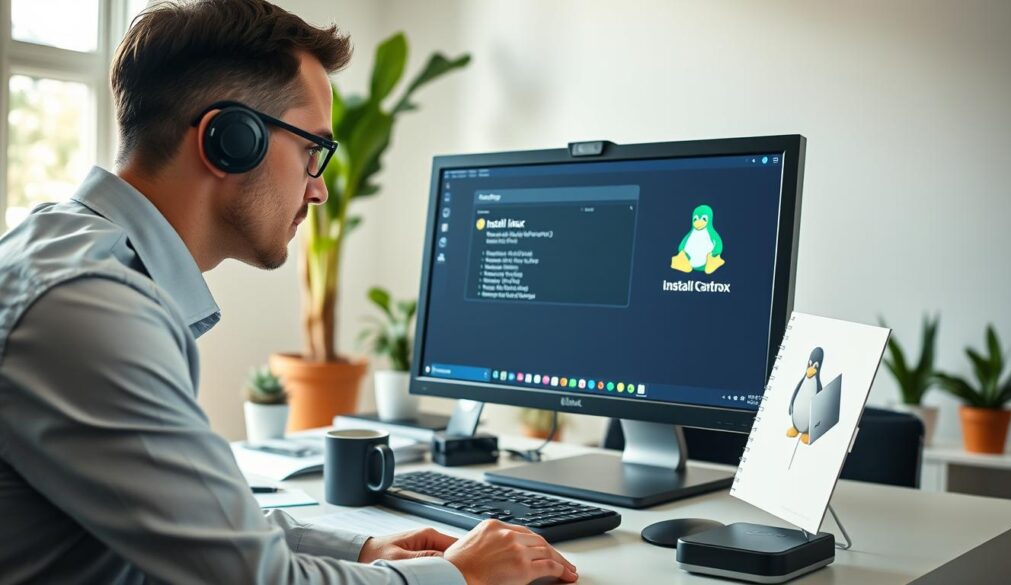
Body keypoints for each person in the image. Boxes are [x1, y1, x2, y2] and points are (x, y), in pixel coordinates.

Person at [0, 1, 578, 584]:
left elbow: (192, 518)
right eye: (312, 152)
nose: (320, 189)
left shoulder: (72, 256)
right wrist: (463, 577)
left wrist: (360, 551)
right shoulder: (91, 306)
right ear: (229, 140)